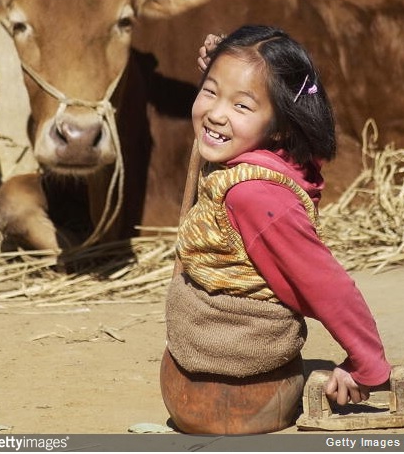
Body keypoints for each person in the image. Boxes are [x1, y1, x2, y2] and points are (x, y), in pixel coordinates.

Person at [165, 25, 391, 415]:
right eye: (210, 91)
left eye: (242, 106)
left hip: (237, 394)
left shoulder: (252, 195)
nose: (216, 114)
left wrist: (367, 364)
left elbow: (325, 284)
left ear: (281, 127)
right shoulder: (273, 161)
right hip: (221, 377)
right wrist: (230, 69)